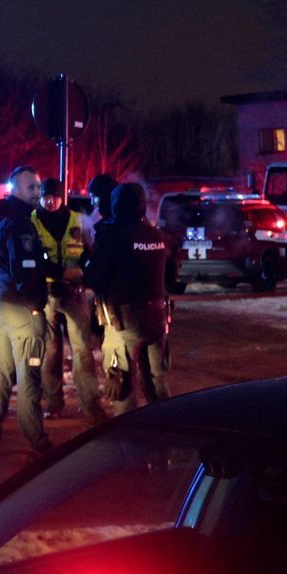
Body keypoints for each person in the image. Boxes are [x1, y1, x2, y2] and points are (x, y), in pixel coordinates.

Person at [83, 182, 175, 415]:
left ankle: (127, 440)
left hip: (124, 321)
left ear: (116, 206)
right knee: (157, 379)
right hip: (157, 319)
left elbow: (94, 277)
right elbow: (172, 275)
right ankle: (167, 429)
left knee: (121, 381)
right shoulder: (158, 236)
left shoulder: (113, 237)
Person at [0, 166, 53, 460]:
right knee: (29, 375)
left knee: (3, 372)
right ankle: (37, 441)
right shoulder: (21, 223)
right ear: (14, 189)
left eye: (38, 187)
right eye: (30, 188)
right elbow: (25, 269)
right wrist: (36, 305)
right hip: (20, 304)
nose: (37, 192)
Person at [33, 179, 109, 423]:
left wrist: (84, 273)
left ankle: (90, 405)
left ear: (62, 197)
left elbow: (92, 252)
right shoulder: (32, 221)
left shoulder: (78, 220)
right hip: (46, 294)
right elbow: (32, 258)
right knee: (50, 352)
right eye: (46, 197)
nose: (50, 201)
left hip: (74, 294)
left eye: (54, 197)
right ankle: (53, 403)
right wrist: (60, 272)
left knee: (82, 351)